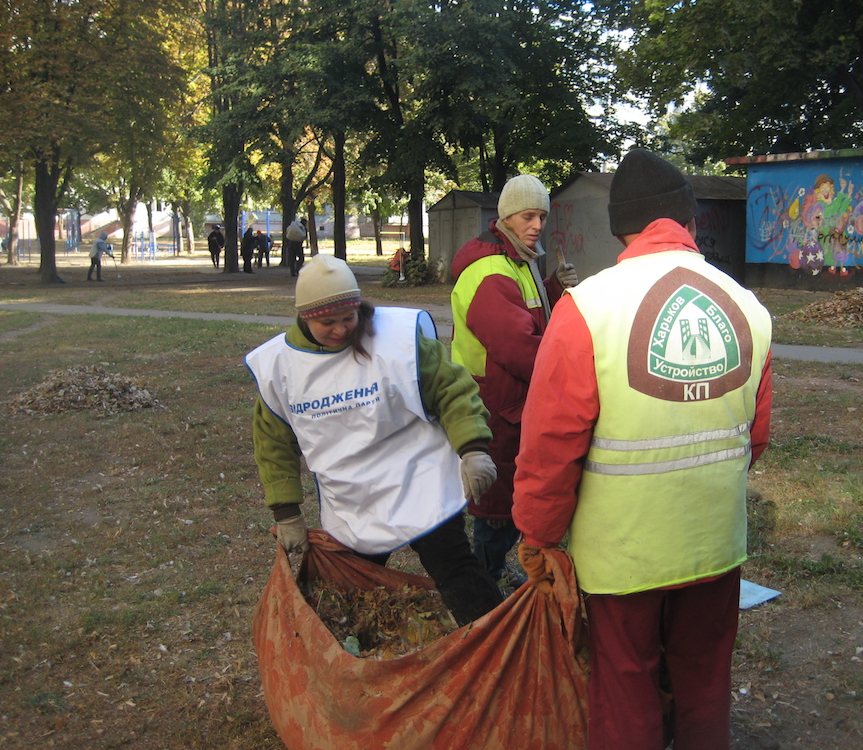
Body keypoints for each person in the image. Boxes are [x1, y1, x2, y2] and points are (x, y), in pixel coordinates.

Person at [512, 149, 774, 750]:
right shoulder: (748, 307)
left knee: (626, 687)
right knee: (705, 682)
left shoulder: (587, 309)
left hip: (620, 554)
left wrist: (538, 535)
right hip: (714, 543)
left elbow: (551, 446)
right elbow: (753, 438)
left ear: (619, 225)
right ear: (688, 218)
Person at [245, 255, 505, 626]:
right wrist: (286, 512)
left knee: (455, 567)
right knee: (352, 589)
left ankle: (494, 640)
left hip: (417, 476)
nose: (339, 330)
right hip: (353, 495)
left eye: (348, 318)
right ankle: (356, 658)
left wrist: (473, 448)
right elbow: (273, 443)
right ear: (304, 316)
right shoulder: (280, 369)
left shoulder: (395, 340)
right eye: (326, 322)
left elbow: (452, 390)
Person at [450, 174, 578, 589]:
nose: (537, 224)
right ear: (506, 216)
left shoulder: (517, 261)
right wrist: (574, 369)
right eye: (528, 215)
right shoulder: (490, 272)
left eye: (542, 215)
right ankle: (482, 585)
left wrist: (554, 288)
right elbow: (520, 348)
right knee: (497, 509)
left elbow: (529, 318)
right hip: (494, 409)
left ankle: (493, 571)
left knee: (510, 500)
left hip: (512, 407)